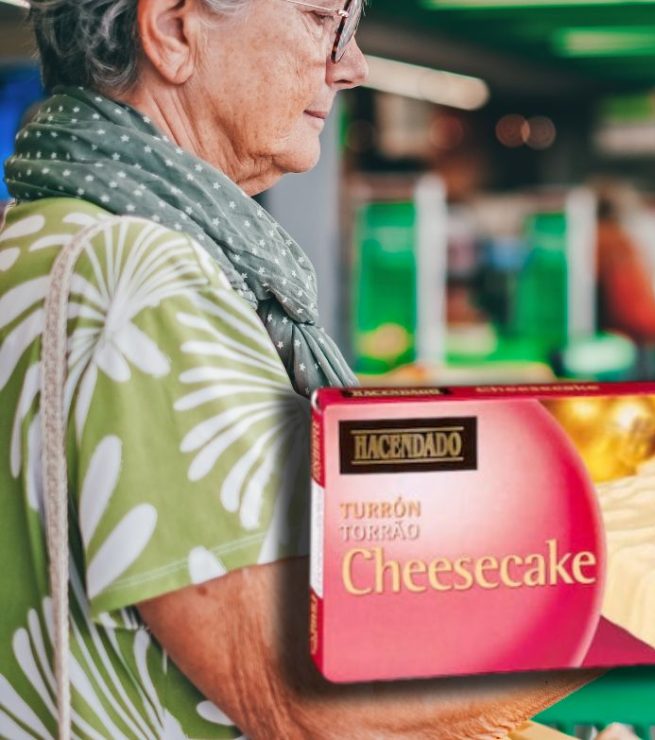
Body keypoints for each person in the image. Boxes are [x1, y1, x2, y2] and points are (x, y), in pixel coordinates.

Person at [0, 1, 593, 737]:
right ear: (174, 30)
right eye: (322, 19)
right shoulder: (145, 279)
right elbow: (309, 703)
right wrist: (610, 598)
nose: (352, 64)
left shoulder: (36, 239)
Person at [594, 196, 655, 348]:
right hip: (630, 336)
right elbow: (634, 306)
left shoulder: (593, 241)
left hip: (611, 335)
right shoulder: (620, 244)